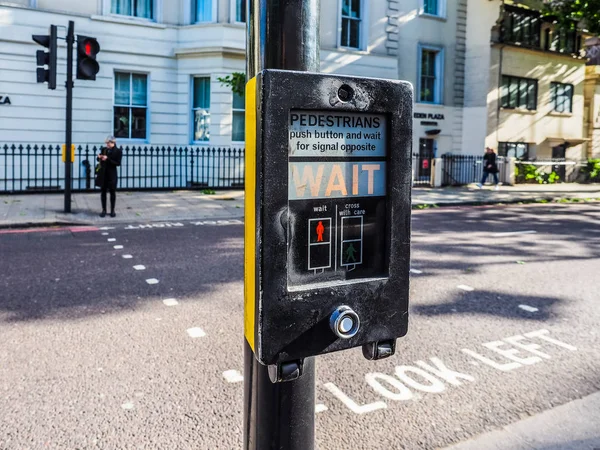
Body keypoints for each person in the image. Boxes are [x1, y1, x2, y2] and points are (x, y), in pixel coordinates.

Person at [96, 136, 123, 217]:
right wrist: (99, 157)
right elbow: (99, 160)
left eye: (108, 143)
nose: (107, 144)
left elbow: (118, 163)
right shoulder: (104, 149)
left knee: (112, 192)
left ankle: (112, 210)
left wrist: (107, 159)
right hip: (103, 173)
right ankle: (104, 210)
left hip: (112, 174)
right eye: (106, 143)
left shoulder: (118, 151)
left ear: (113, 143)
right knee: (103, 192)